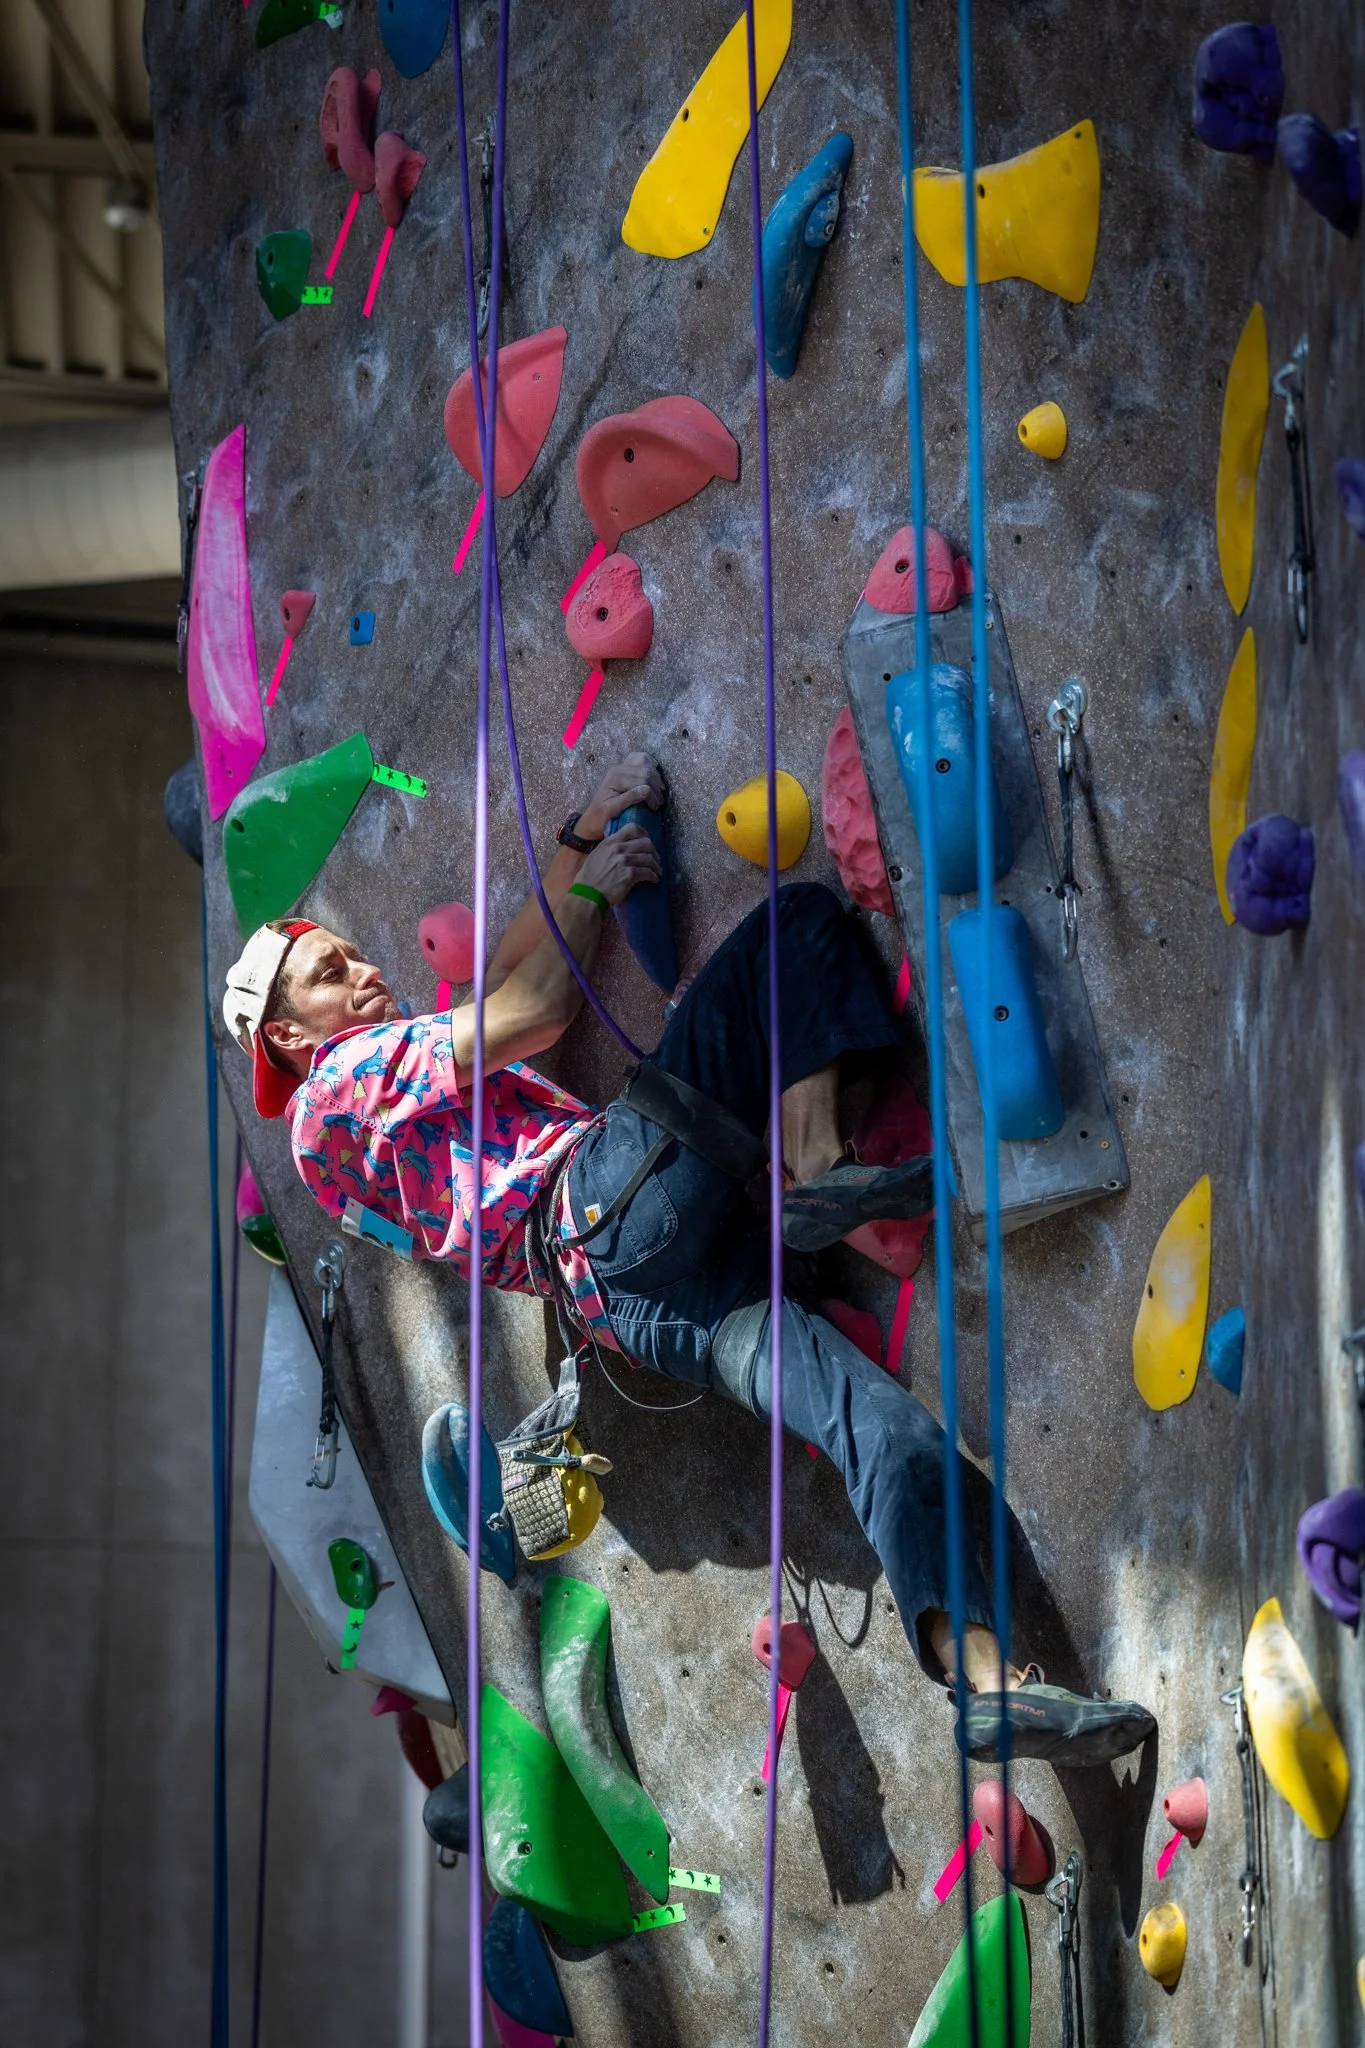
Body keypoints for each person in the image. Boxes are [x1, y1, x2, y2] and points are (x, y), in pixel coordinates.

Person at [224, 749, 1155, 1764]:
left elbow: (512, 992)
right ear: (282, 1036)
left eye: (355, 954)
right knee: (796, 928)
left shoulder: (354, 1126)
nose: (364, 972)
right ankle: (814, 1165)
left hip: (634, 1304)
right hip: (613, 1199)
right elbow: (531, 1010)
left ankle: (981, 1681)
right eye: (329, 972)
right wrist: (591, 874)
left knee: (876, 1423)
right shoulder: (340, 1084)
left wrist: (584, 840)